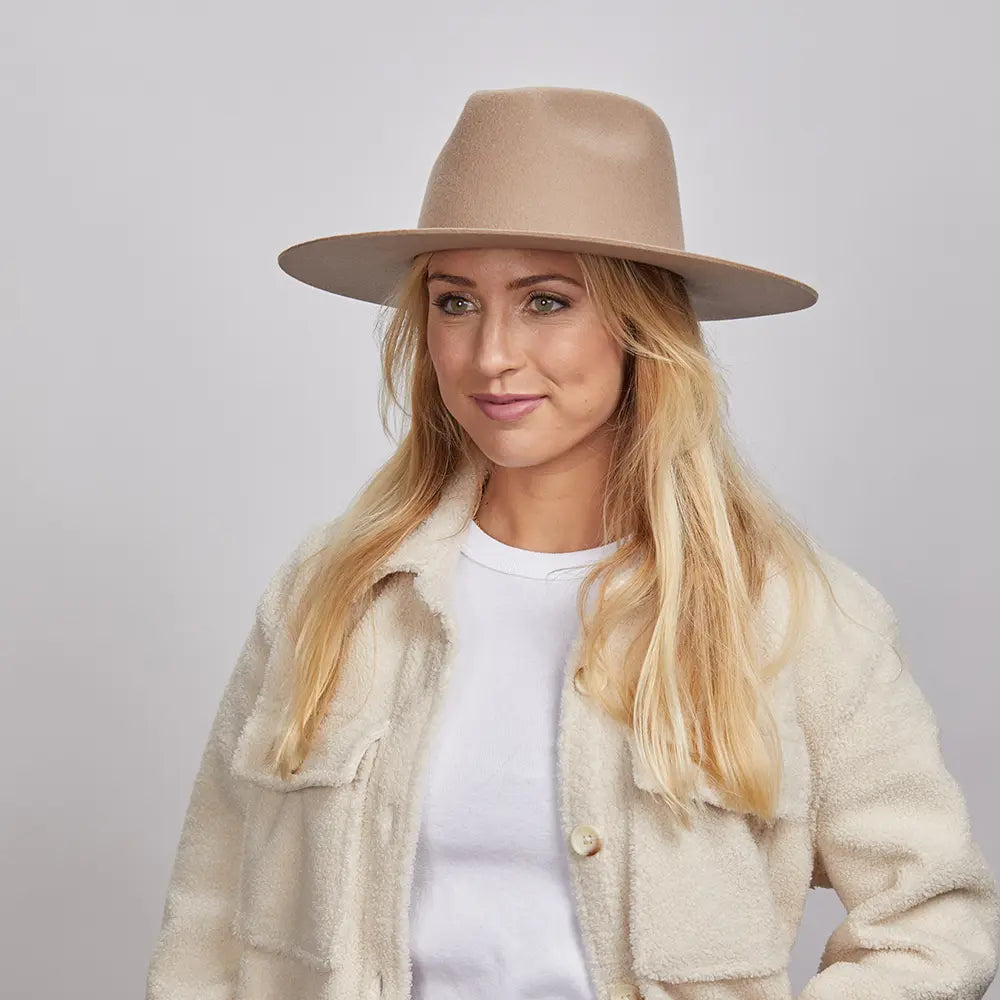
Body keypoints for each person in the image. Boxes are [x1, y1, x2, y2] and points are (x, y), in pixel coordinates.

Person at [144, 87, 1000, 1000]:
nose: (492, 354)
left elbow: (932, 924)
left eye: (547, 301)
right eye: (456, 302)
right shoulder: (333, 596)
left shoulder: (792, 615)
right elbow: (208, 926)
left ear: (641, 329)